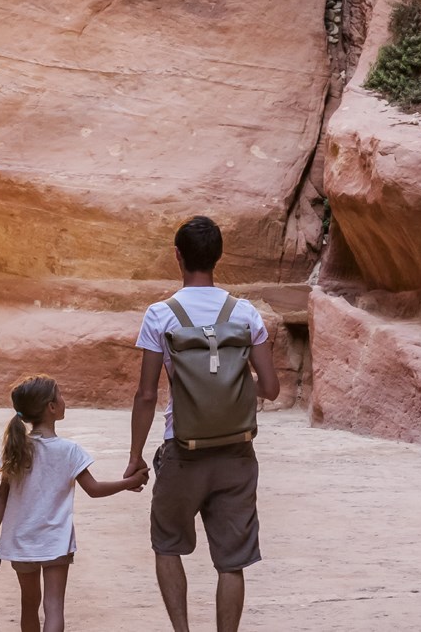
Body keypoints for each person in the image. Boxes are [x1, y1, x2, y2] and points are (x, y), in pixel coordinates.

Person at [126, 216, 281, 632]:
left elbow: (145, 394)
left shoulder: (161, 314)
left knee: (167, 544)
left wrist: (134, 456)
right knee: (232, 560)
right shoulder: (245, 312)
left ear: (177, 256)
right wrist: (229, 381)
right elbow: (271, 388)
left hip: (184, 450)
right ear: (218, 257)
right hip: (236, 451)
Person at [0, 375, 150, 632]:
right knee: (54, 607)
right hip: (55, 541)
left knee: (29, 604)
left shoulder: (17, 449)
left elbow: (0, 498)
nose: (64, 400)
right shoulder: (69, 450)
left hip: (21, 540)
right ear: (51, 407)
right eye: (60, 395)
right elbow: (94, 490)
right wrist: (127, 483)